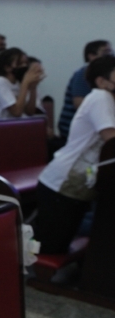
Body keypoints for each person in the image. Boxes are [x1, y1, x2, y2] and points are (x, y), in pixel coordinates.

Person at [35, 55, 115, 254]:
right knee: (51, 247)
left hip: (79, 184)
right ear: (102, 81)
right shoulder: (100, 97)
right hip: (62, 185)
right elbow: (111, 139)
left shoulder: (109, 100)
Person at [59, 40, 113, 140]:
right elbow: (79, 103)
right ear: (91, 56)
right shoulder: (83, 75)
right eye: (106, 51)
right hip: (70, 128)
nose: (110, 54)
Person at [0, 47, 44, 120]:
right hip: (0, 128)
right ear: (7, 68)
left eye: (26, 63)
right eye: (20, 63)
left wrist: (33, 88)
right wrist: (25, 83)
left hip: (18, 127)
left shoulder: (18, 83)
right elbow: (17, 112)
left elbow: (30, 112)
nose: (24, 66)